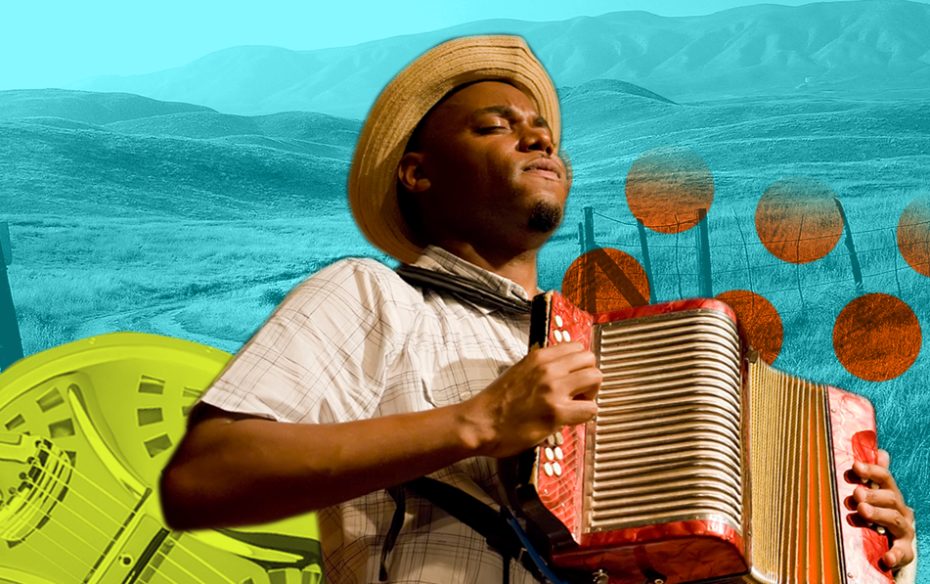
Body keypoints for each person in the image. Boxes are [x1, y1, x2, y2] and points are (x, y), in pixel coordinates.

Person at [159, 35, 917, 583]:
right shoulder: (372, 295)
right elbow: (203, 480)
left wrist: (856, 549)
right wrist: (477, 423)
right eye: (493, 125)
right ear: (417, 174)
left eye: (542, 129)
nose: (536, 134)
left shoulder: (617, 358)